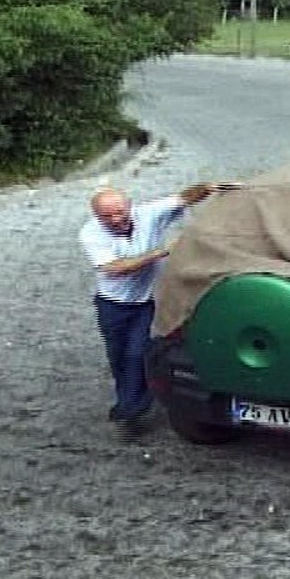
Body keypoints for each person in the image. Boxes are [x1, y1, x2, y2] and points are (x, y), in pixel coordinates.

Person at [79, 182, 218, 434]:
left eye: (119, 212)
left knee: (138, 352)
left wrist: (208, 187)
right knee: (118, 355)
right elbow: (117, 268)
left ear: (129, 206)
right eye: (106, 216)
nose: (115, 219)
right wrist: (161, 252)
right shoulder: (91, 233)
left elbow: (184, 198)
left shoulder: (148, 213)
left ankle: (131, 409)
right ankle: (129, 401)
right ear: (96, 216)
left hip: (147, 302)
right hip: (113, 304)